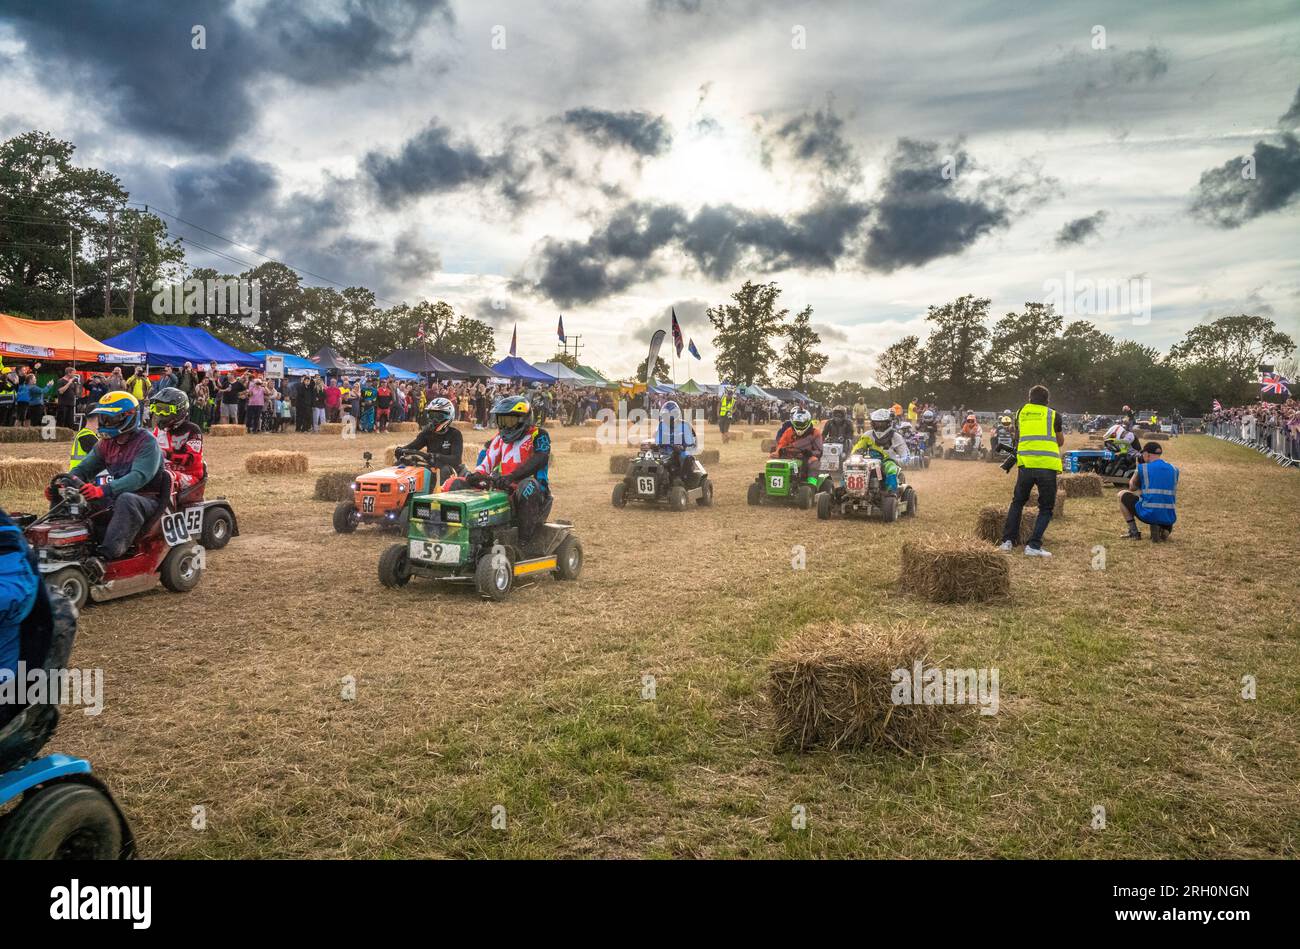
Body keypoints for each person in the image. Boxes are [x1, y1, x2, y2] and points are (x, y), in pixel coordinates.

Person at [61, 392, 167, 565]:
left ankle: (105, 557)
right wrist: (64, 484)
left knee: (126, 500)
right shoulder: (106, 444)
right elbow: (83, 468)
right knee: (75, 497)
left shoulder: (147, 442)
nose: (104, 423)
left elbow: (138, 478)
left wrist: (103, 490)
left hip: (146, 499)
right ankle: (63, 545)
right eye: (103, 418)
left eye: (111, 418)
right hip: (117, 496)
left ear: (128, 417)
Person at [465, 395, 553, 550]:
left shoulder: (539, 435)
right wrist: (477, 474)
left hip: (535, 489)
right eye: (502, 421)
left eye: (510, 421)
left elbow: (540, 458)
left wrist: (512, 477)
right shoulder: (499, 438)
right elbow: (489, 459)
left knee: (527, 486)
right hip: (504, 485)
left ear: (523, 419)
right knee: (459, 482)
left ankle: (524, 541)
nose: (505, 426)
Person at [999, 384, 1063, 557]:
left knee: (1018, 502)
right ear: (1047, 400)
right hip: (1047, 466)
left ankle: (1007, 541)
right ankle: (1033, 546)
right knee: (1046, 508)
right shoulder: (1054, 415)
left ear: (1030, 398)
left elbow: (1017, 436)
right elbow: (1060, 441)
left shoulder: (1020, 412)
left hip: (1026, 464)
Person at [1119, 441, 1179, 541]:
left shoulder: (1143, 468)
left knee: (1121, 494)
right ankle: (1165, 528)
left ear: (1146, 454)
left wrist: (1137, 469)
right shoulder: (1174, 469)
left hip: (1148, 513)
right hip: (1169, 515)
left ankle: (1134, 532)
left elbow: (1132, 487)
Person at [148, 387, 204, 492]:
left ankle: (162, 508)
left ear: (180, 410)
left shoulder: (192, 430)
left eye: (165, 410)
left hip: (189, 475)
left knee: (166, 477)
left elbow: (192, 460)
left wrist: (166, 454)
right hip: (163, 470)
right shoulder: (158, 431)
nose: (160, 414)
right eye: (157, 409)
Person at [400, 397, 464, 487]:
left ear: (449, 416)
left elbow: (456, 459)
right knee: (402, 464)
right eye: (432, 416)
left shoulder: (455, 434)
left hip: (450, 468)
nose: (434, 420)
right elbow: (414, 445)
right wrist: (402, 450)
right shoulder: (427, 432)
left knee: (444, 470)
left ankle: (438, 498)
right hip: (431, 465)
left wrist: (436, 456)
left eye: (438, 417)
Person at [851, 408, 907, 492]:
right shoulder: (867, 435)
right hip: (868, 461)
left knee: (891, 467)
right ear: (873, 423)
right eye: (877, 423)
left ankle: (891, 492)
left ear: (888, 423)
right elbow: (857, 448)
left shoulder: (896, 437)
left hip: (887, 461)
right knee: (850, 467)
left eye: (882, 423)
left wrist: (898, 461)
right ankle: (844, 489)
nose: (879, 426)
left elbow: (905, 455)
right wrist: (856, 453)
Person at [653, 400, 703, 487]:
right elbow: (657, 440)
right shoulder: (661, 425)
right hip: (665, 452)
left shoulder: (685, 426)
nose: (668, 417)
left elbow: (693, 445)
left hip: (680, 452)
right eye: (665, 415)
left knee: (686, 456)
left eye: (670, 415)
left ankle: (682, 479)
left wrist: (682, 448)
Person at [770, 407, 823, 476]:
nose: (799, 426)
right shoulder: (789, 431)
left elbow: (819, 451)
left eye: (802, 424)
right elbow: (782, 443)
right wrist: (777, 452)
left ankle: (811, 483)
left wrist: (810, 453)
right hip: (789, 457)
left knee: (814, 464)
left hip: (807, 457)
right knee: (775, 463)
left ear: (808, 422)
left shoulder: (815, 433)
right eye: (797, 424)